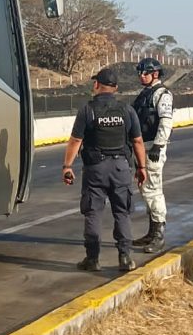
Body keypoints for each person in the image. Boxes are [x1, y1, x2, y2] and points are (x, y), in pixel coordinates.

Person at [62, 66, 147, 272]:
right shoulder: (127, 110)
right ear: (116, 88)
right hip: (120, 168)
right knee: (122, 212)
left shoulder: (87, 110)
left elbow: (76, 140)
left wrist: (67, 166)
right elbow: (137, 141)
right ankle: (125, 257)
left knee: (93, 212)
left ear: (96, 85)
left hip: (95, 169)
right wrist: (142, 167)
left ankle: (92, 259)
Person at [132, 57, 174, 253]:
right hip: (142, 147)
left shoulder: (162, 94)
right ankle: (151, 232)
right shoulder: (145, 93)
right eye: (140, 73)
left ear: (155, 74)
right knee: (145, 189)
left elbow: (166, 121)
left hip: (152, 148)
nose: (141, 76)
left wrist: (158, 145)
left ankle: (158, 235)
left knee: (153, 190)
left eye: (145, 73)